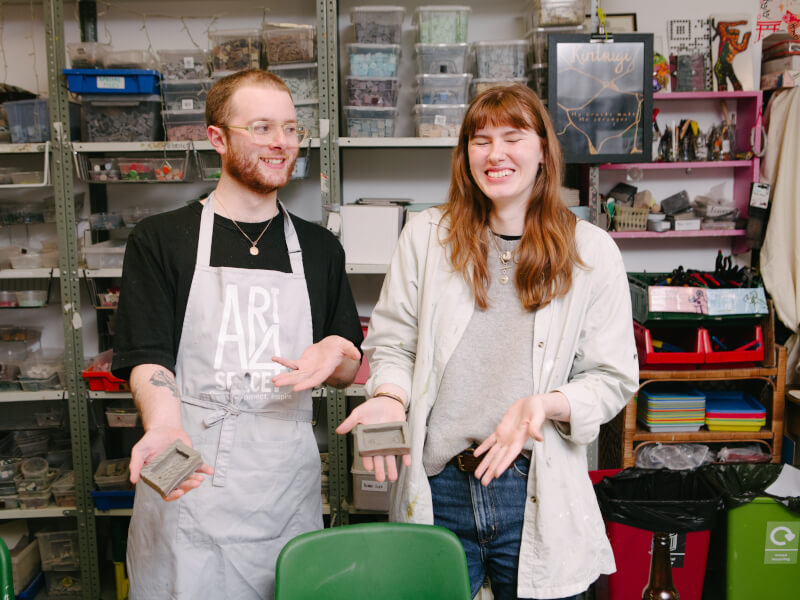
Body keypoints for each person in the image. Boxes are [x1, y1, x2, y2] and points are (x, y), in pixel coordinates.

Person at [337, 84, 638, 600]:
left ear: (543, 149)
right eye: (480, 140)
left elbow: (611, 378)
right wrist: (389, 396)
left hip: (535, 488)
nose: (495, 153)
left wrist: (543, 404)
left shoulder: (590, 250)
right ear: (465, 155)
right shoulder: (426, 236)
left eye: (512, 137)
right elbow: (392, 344)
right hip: (440, 485)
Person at [111, 69, 363, 599]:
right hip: (186, 470)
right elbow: (148, 357)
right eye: (262, 128)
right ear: (217, 137)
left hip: (282, 491)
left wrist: (336, 353)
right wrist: (162, 425)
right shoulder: (162, 239)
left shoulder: (320, 249)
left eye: (292, 129)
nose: (281, 143)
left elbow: (345, 369)